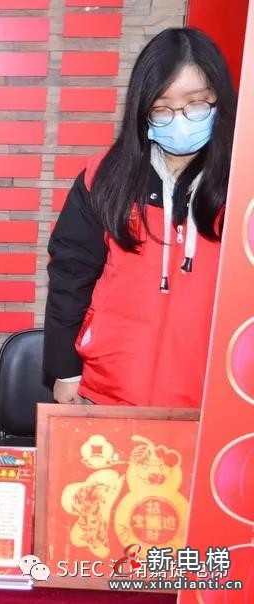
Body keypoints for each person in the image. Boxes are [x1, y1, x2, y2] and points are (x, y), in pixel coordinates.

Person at [44, 28, 236, 408]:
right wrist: (65, 369)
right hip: (109, 390)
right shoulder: (105, 175)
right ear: (142, 111)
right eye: (162, 108)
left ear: (220, 101)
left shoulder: (242, 183)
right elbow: (70, 273)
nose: (181, 120)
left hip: (213, 400)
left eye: (197, 104)